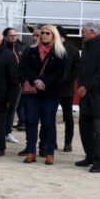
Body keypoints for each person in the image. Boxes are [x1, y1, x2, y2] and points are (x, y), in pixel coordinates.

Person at [20, 24, 66, 165]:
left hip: (50, 93)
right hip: (33, 92)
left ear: (53, 35)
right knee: (31, 122)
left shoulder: (60, 52)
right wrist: (35, 80)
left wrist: (44, 82)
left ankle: (49, 153)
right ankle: (31, 152)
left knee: (48, 123)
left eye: (47, 33)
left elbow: (60, 72)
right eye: (42, 33)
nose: (44, 35)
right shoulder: (30, 50)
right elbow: (24, 67)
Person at [74, 21, 100, 173]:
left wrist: (86, 86)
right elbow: (82, 70)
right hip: (87, 94)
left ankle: (98, 162)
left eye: (83, 31)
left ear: (92, 32)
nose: (82, 34)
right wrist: (81, 85)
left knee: (99, 130)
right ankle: (89, 156)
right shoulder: (87, 47)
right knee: (84, 126)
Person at [57, 25, 80, 152]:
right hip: (57, 88)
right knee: (49, 116)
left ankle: (68, 142)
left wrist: (66, 80)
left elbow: (76, 69)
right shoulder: (52, 48)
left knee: (68, 116)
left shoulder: (72, 50)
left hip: (65, 88)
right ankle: (54, 141)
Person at [3, 27, 27, 139]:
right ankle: (3, 132)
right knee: (5, 109)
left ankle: (8, 132)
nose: (14, 38)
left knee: (14, 108)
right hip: (6, 84)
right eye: (11, 36)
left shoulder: (21, 47)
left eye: (15, 35)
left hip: (19, 84)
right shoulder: (2, 48)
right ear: (5, 37)